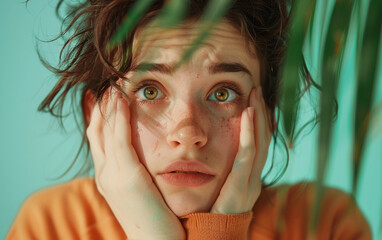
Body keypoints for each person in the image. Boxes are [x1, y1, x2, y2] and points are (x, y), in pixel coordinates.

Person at [7, 0, 371, 239]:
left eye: (223, 93)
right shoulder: (49, 225)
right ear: (96, 116)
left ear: (268, 118)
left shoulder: (326, 224)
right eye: (150, 90)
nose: (188, 134)